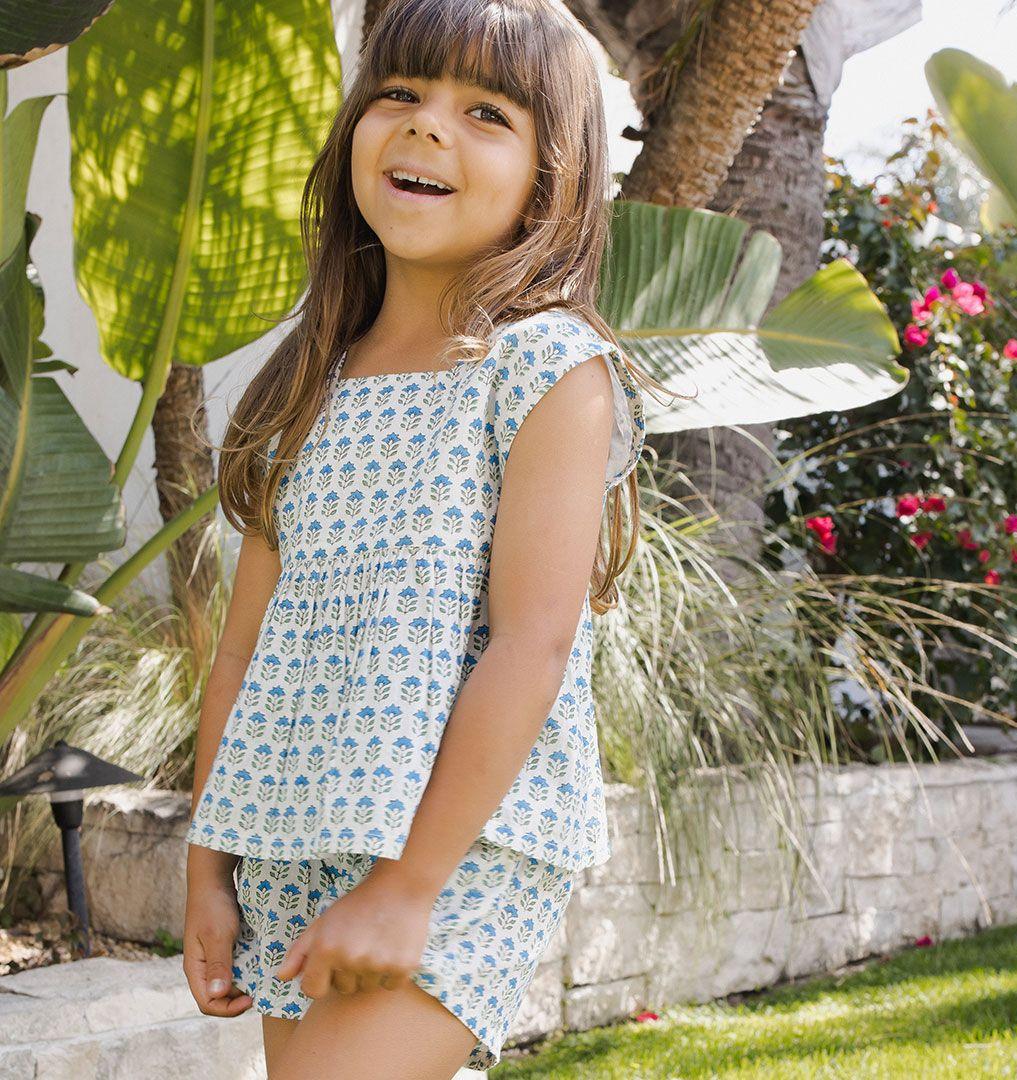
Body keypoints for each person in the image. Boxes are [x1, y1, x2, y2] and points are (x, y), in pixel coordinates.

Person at [182, 0, 663, 1075]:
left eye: (485, 110)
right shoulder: (314, 378)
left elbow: (530, 645)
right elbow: (240, 655)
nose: (426, 127)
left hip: (456, 846)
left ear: (551, 175)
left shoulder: (542, 369)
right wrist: (205, 870)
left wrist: (407, 888)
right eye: (398, 94)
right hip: (293, 827)